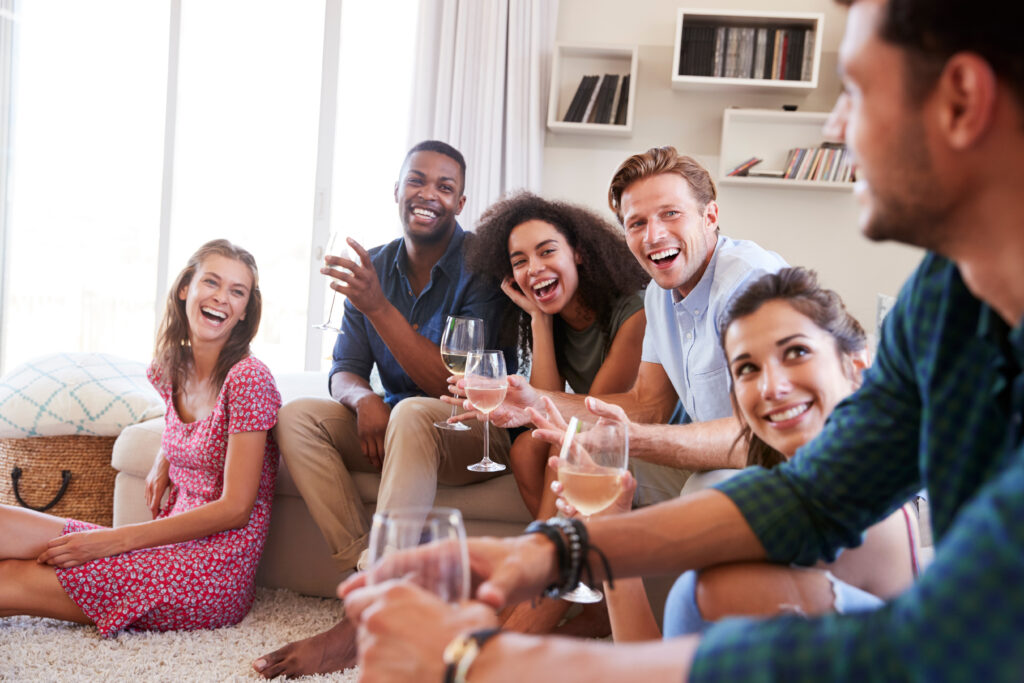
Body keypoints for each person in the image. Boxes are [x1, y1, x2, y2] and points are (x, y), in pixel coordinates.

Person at [341, 0, 1024, 679]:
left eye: (853, 91)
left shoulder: (752, 283)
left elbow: (944, 647)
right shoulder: (942, 297)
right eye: (637, 221)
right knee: (715, 586)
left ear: (962, 99)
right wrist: (558, 550)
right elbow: (813, 496)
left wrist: (483, 661)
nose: (836, 126)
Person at [253, 140, 512, 678]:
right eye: (416, 180)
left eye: (445, 187)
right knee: (298, 415)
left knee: (416, 410)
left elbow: (452, 384)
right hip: (397, 422)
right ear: (396, 191)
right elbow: (343, 367)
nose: (428, 195)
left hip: (469, 429)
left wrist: (377, 306)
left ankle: (363, 619)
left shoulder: (479, 270)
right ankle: (375, 575)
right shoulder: (377, 265)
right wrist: (361, 396)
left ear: (461, 202)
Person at [549, 268, 920, 642]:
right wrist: (614, 539)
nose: (771, 386)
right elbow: (658, 668)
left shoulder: (866, 508)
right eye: (747, 369)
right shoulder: (775, 497)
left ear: (856, 365)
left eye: (796, 352)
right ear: (735, 402)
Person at [451, 149, 787, 505]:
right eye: (637, 223)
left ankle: (545, 554)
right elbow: (648, 404)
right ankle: (561, 554)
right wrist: (537, 400)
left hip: (774, 466)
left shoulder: (748, 282)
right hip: (710, 459)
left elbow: (765, 433)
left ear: (710, 216)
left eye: (671, 214)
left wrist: (627, 438)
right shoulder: (659, 295)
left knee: (696, 488)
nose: (653, 236)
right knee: (586, 459)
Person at [0, 239, 281, 637]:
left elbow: (235, 508)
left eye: (237, 292)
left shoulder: (249, 378)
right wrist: (165, 455)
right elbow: (190, 431)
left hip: (213, 571)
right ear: (186, 287)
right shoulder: (172, 368)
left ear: (245, 312)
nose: (222, 298)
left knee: (12, 576)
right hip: (164, 544)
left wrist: (113, 541)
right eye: (212, 283)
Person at [466, 191, 648, 519]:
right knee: (524, 449)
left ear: (578, 253)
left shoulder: (634, 312)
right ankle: (561, 549)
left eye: (547, 251)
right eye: (520, 261)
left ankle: (547, 552)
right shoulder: (557, 317)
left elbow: (598, 407)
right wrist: (540, 319)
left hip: (637, 434)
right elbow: (544, 407)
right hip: (592, 427)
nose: (534, 268)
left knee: (565, 442)